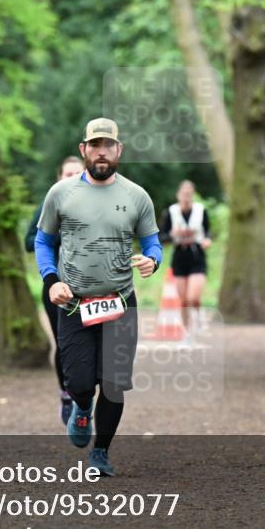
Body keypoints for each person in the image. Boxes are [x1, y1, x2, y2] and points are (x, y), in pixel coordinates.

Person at [34, 118, 161, 477]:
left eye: (108, 145)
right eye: (95, 145)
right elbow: (43, 241)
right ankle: (81, 407)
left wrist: (153, 259)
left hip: (120, 302)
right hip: (74, 303)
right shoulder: (61, 193)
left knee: (115, 384)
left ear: (119, 150)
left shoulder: (137, 196)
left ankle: (100, 452)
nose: (101, 152)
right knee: (78, 382)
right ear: (83, 150)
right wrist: (51, 279)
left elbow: (152, 241)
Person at [25, 156, 85, 425]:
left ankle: (84, 395)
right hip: (56, 288)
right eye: (67, 174)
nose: (71, 179)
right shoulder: (49, 206)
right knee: (64, 344)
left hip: (91, 289)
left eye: (77, 174)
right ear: (58, 178)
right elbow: (30, 241)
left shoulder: (95, 205)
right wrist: (60, 233)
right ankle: (66, 394)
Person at [159, 180, 211, 341]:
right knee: (183, 300)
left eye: (189, 194)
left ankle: (199, 315)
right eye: (184, 194)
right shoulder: (171, 212)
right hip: (180, 256)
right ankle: (187, 333)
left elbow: (208, 231)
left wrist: (207, 240)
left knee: (192, 297)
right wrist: (173, 235)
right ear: (178, 195)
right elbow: (162, 235)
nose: (186, 197)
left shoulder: (201, 211)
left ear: (193, 195)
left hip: (197, 255)